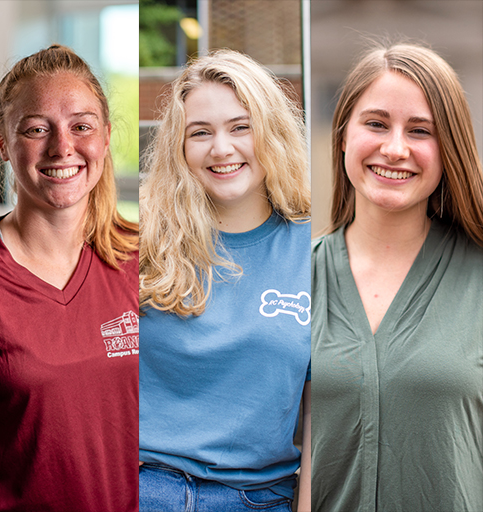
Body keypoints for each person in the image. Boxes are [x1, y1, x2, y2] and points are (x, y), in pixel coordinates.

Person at [311, 43, 483, 512]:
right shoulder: (297, 279)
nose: (395, 148)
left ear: (449, 150)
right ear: (343, 134)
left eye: (421, 130)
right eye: (376, 123)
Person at [0, 45, 139, 511]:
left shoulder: (145, 260)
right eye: (37, 129)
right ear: (0, 141)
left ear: (104, 138)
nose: (62, 147)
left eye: (81, 126)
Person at [138, 50, 312, 512]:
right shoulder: (139, 244)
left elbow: (321, 416)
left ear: (271, 131)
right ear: (179, 147)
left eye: (240, 126)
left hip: (261, 498)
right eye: (200, 132)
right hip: (141, 490)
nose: (221, 148)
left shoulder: (316, 252)